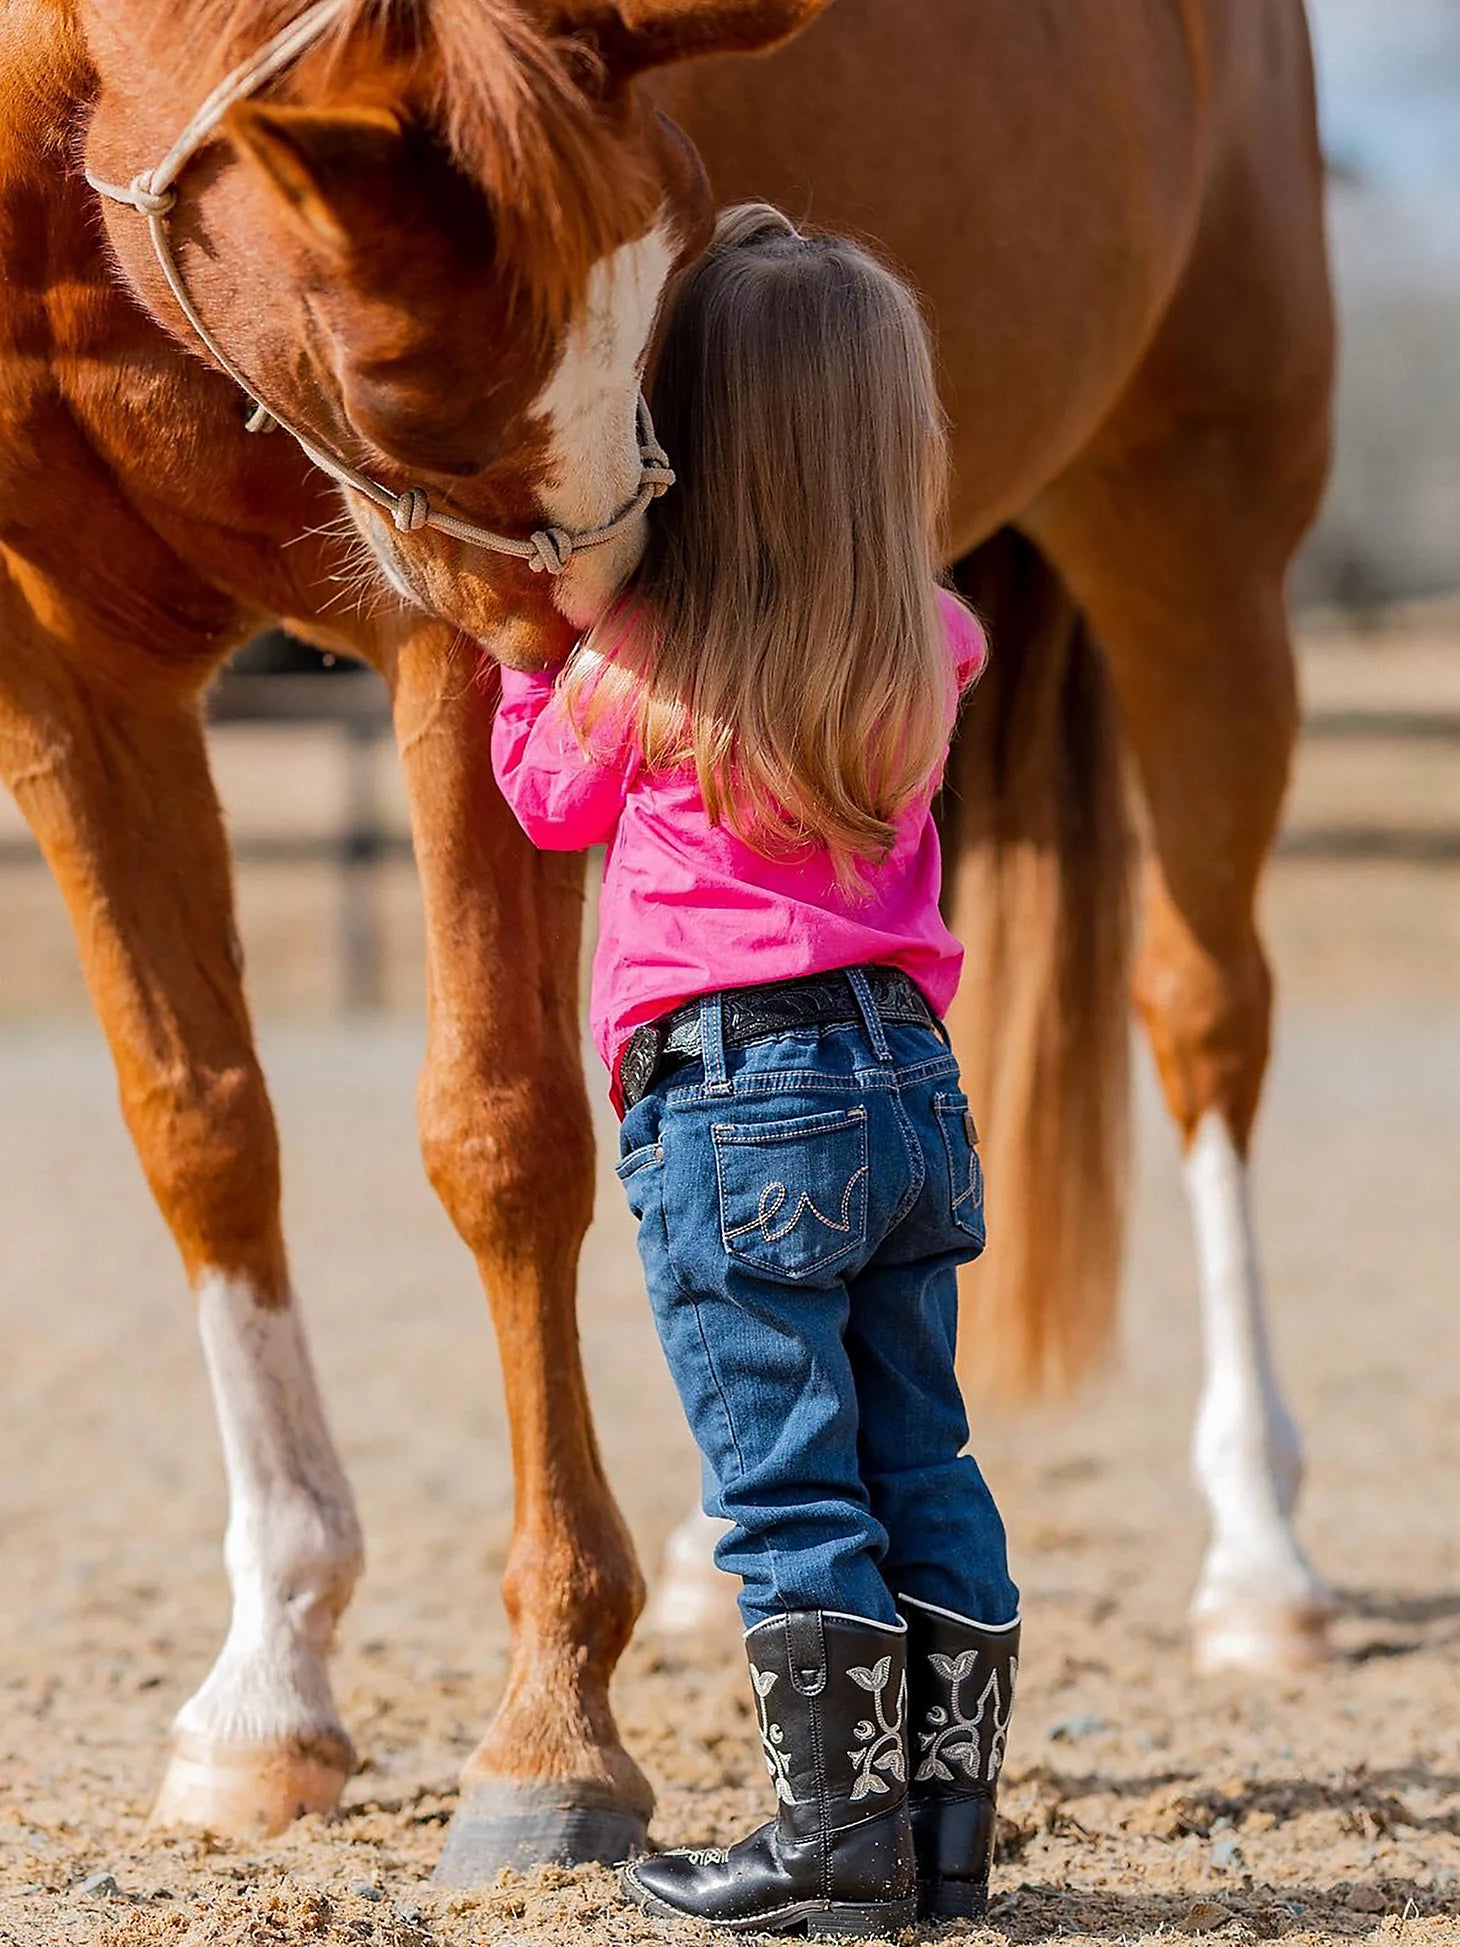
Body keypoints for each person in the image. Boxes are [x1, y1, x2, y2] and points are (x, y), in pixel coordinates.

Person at [491, 203, 1020, 1937]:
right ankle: (942, 1840)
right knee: (920, 1455)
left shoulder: (644, 661)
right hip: (910, 1081)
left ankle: (830, 1849)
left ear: (685, 434)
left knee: (784, 1478)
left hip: (735, 1099)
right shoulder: (932, 640)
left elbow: (542, 804)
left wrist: (530, 652)